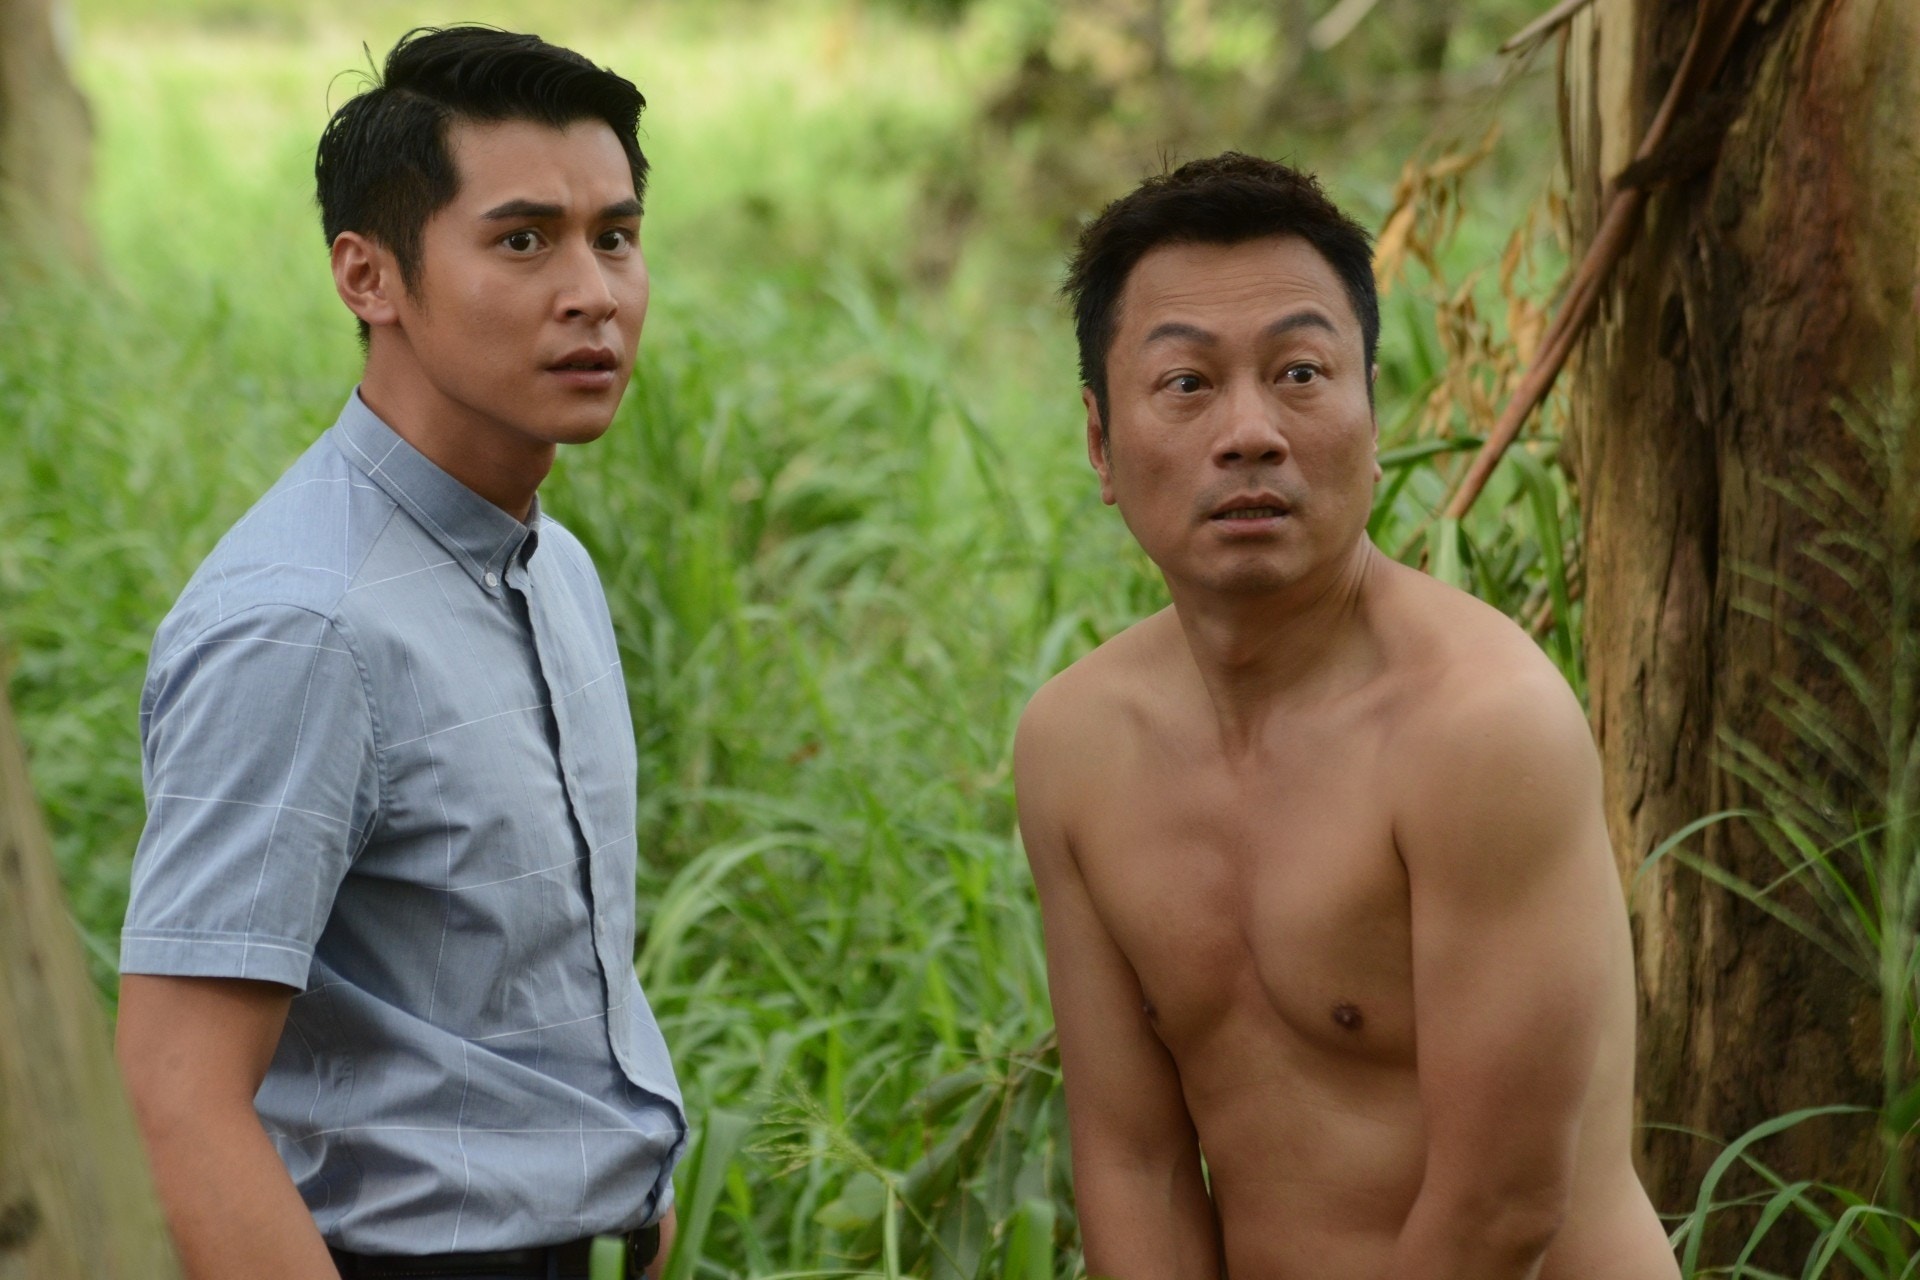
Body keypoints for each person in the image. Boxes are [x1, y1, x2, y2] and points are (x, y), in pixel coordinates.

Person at [1015, 152, 1679, 1279]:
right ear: (1100, 441)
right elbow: (1136, 1162)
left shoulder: (1481, 724)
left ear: (1372, 411)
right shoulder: (1076, 747)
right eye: (1186, 383)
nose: (1250, 431)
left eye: (1300, 373)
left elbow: (1501, 1209)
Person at [115, 27, 684, 1280]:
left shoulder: (553, 567)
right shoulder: (303, 622)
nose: (592, 291)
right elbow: (177, 1089)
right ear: (367, 276)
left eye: (615, 237)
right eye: (523, 241)